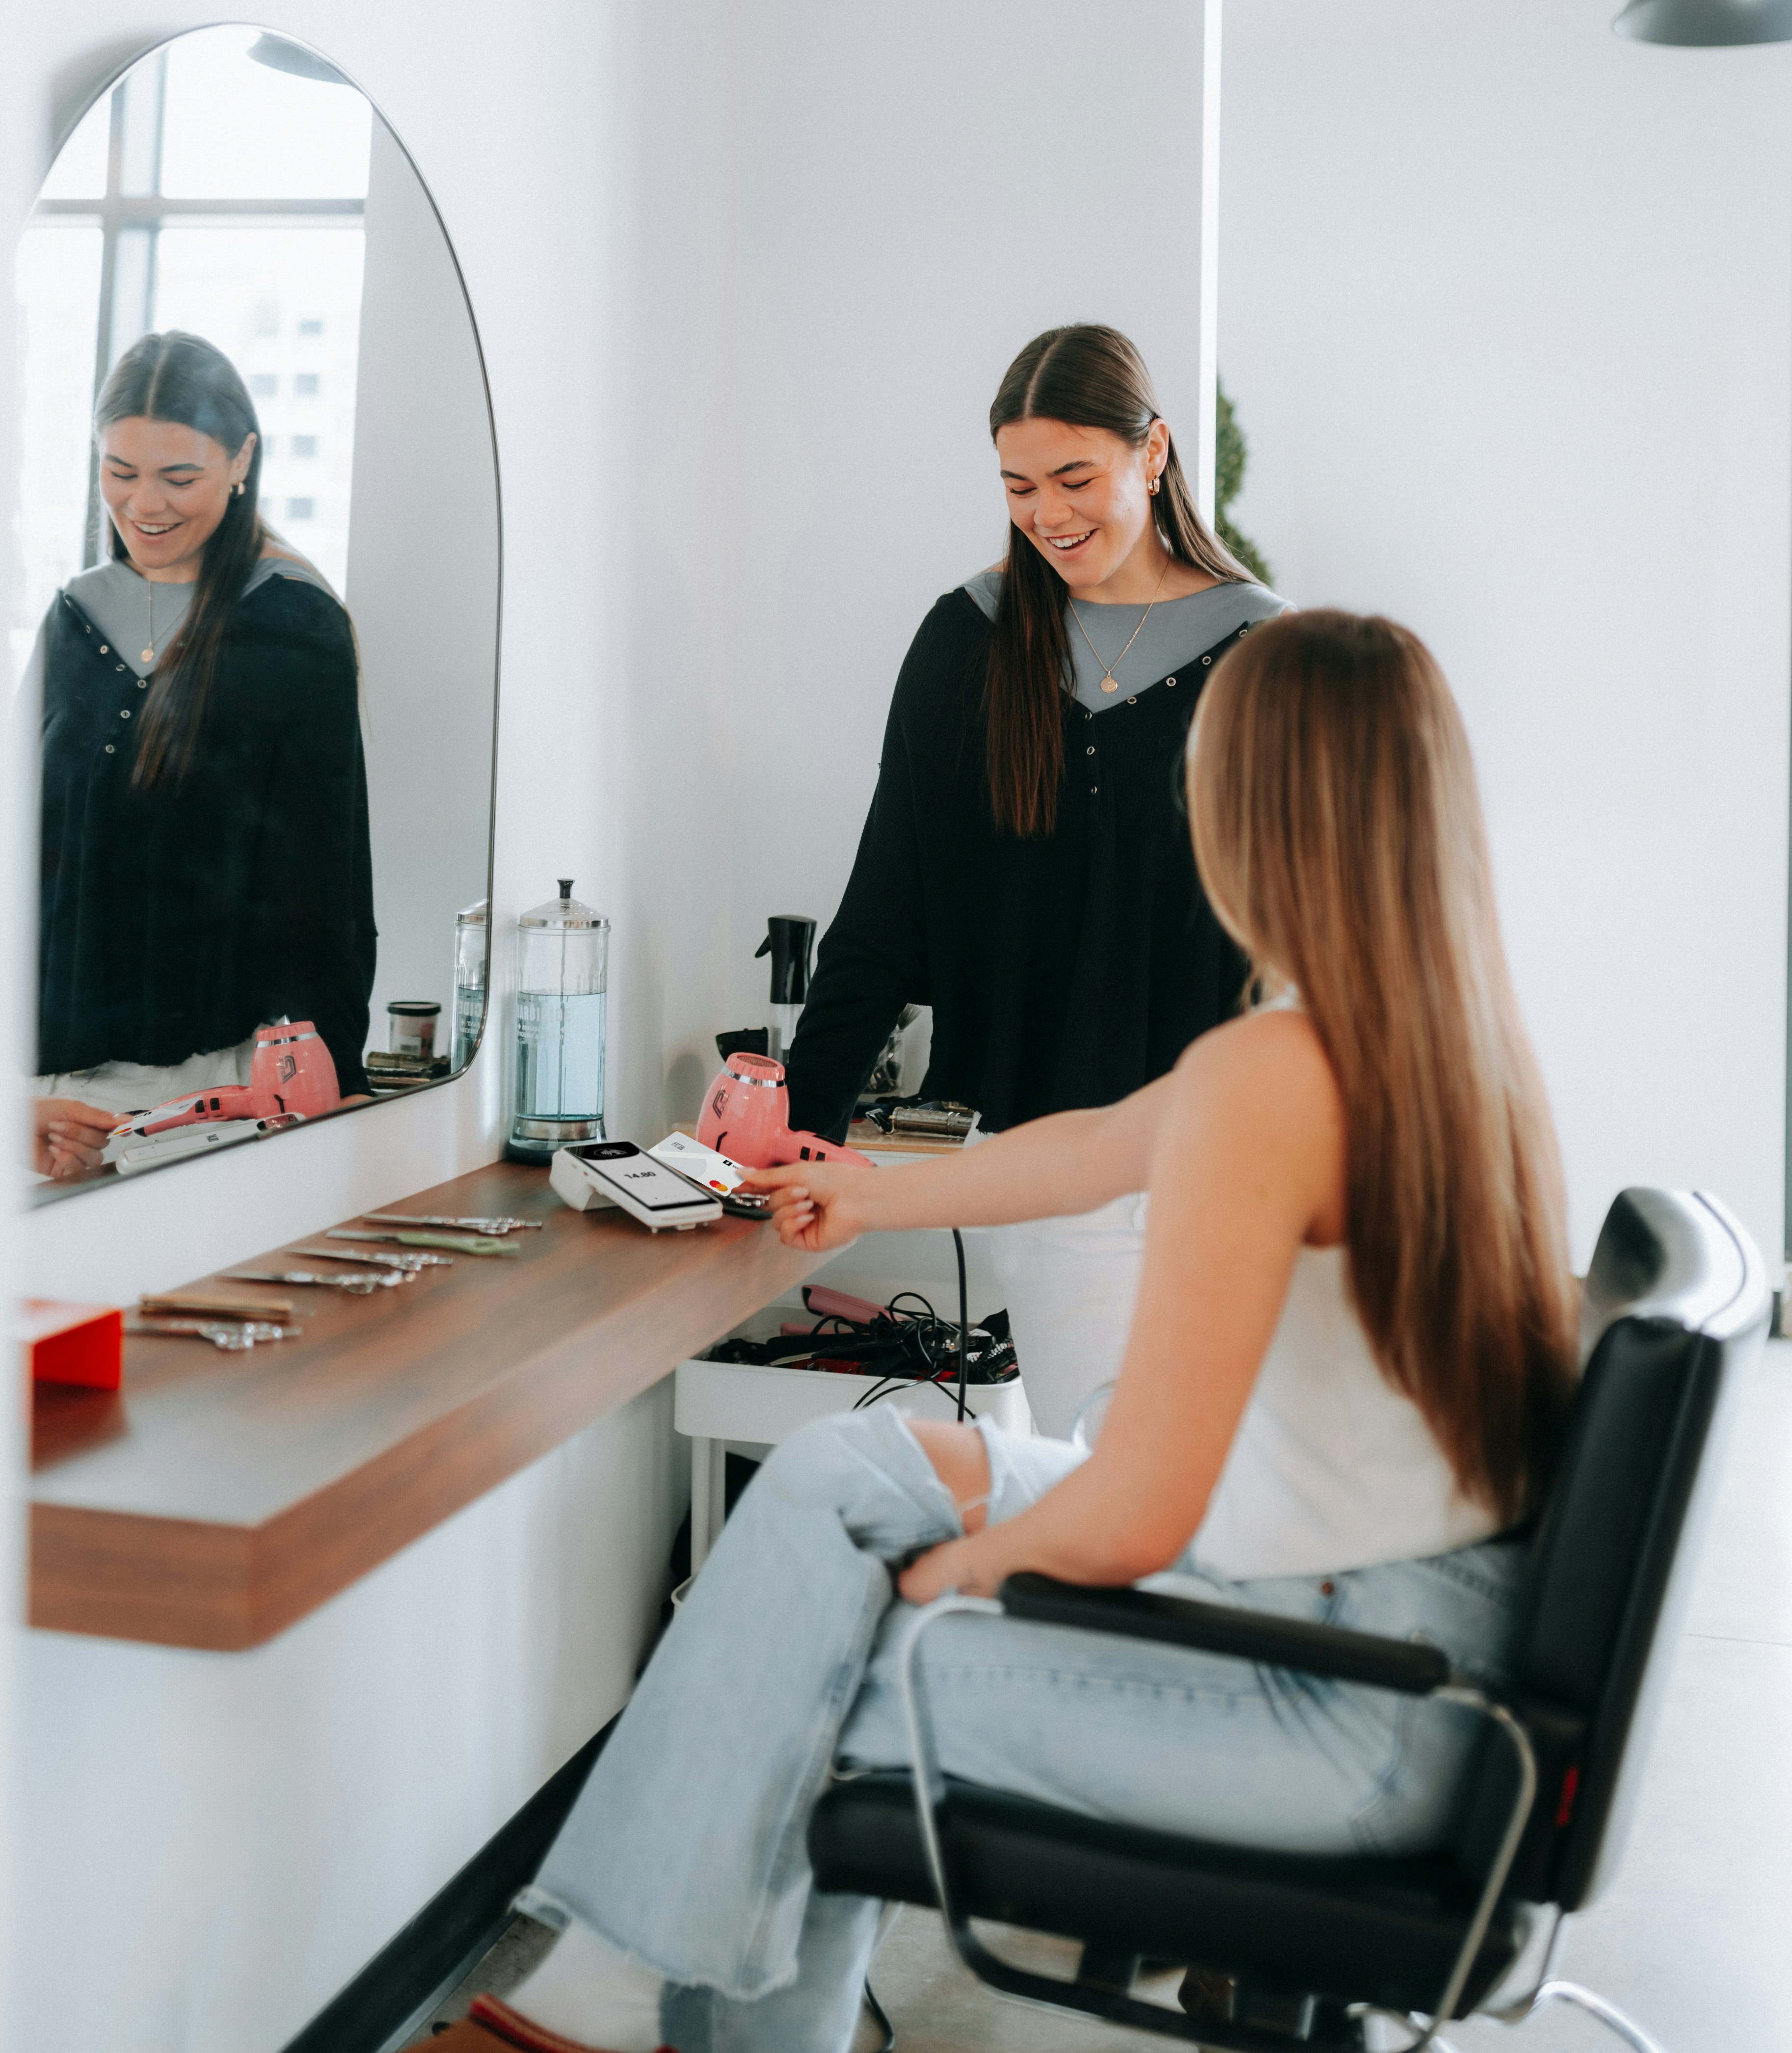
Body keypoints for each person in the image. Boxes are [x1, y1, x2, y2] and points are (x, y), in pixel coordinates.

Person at [438, 609, 1580, 2053]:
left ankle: (601, 2006)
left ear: (1256, 812)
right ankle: (612, 2001)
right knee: (840, 1475)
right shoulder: (1438, 1040)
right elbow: (1098, 1143)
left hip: (1341, 1701)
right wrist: (871, 1189)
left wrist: (946, 1582)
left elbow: (1137, 1505)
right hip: (1410, 1660)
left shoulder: (1279, 1078)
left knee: (823, 1666)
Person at [783, 321, 1285, 1434]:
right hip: (1047, 1181)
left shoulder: (1261, 655)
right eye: (1018, 488)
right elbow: (883, 909)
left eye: (1074, 478)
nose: (1048, 514)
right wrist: (801, 1126)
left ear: (1153, 453)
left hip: (1226, 1164)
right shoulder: (965, 641)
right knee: (1094, 1472)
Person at [30, 328, 375, 1175]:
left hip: (212, 1092)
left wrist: (329, 1080)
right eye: (120, 471)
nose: (145, 503)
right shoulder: (73, 619)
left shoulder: (293, 623)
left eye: (179, 477)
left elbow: (324, 888)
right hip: (47, 1100)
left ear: (241, 459)